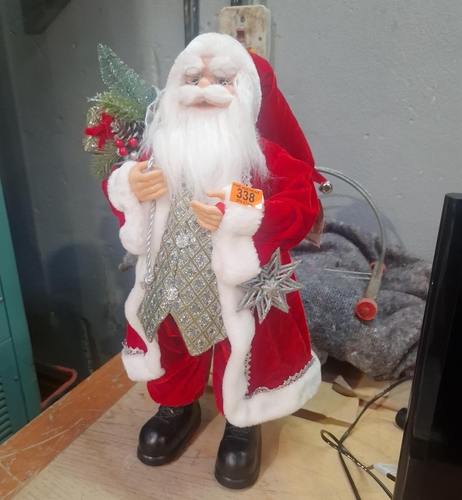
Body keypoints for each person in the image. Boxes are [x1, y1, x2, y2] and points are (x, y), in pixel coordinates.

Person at [104, 32, 321, 489]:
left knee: (243, 349)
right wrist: (129, 186)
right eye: (192, 77)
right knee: (171, 339)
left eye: (221, 79)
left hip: (238, 288)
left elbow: (300, 200)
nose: (203, 87)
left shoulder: (259, 159)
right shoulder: (159, 151)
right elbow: (127, 197)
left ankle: (242, 420)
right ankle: (177, 405)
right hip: (170, 279)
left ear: (244, 93)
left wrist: (240, 208)